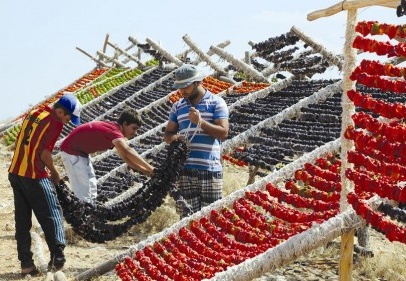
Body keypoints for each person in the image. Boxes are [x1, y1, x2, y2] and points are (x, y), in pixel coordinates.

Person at [8, 93, 82, 276]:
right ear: (59, 111)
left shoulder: (35, 112)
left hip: (16, 172)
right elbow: (44, 154)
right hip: (34, 174)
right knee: (52, 212)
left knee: (22, 220)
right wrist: (55, 174)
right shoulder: (54, 122)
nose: (67, 122)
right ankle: (58, 257)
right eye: (68, 117)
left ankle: (26, 264)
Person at [164, 64, 229, 218]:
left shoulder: (216, 102)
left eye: (186, 86)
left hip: (209, 169)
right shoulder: (177, 107)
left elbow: (223, 133)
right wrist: (173, 138)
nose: (182, 90)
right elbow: (167, 134)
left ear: (198, 82)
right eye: (179, 87)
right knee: (187, 221)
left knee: (211, 220)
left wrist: (200, 122)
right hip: (185, 170)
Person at [59, 107, 155, 205]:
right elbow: (127, 151)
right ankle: (83, 216)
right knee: (83, 193)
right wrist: (152, 169)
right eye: (134, 128)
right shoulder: (114, 131)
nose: (135, 133)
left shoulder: (115, 130)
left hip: (81, 154)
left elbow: (126, 158)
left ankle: (90, 214)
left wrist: (145, 171)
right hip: (71, 152)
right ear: (125, 124)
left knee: (92, 188)